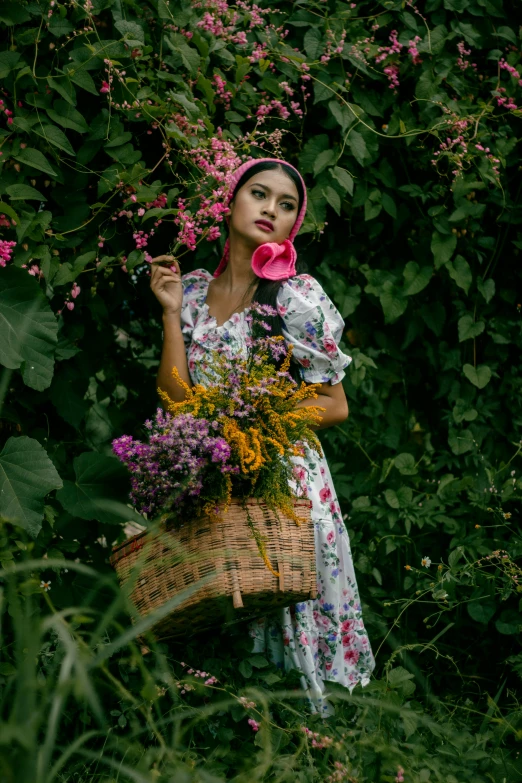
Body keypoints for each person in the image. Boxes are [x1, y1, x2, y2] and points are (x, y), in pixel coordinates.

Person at [150, 158, 376, 714]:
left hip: (285, 480)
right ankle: (237, 730)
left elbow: (334, 403)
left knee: (290, 601)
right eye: (259, 194)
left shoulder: (294, 298)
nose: (271, 209)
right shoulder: (196, 293)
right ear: (230, 204)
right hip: (218, 476)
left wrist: (256, 423)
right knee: (230, 610)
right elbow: (178, 404)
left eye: (287, 204)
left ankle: (317, 735)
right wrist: (170, 314)